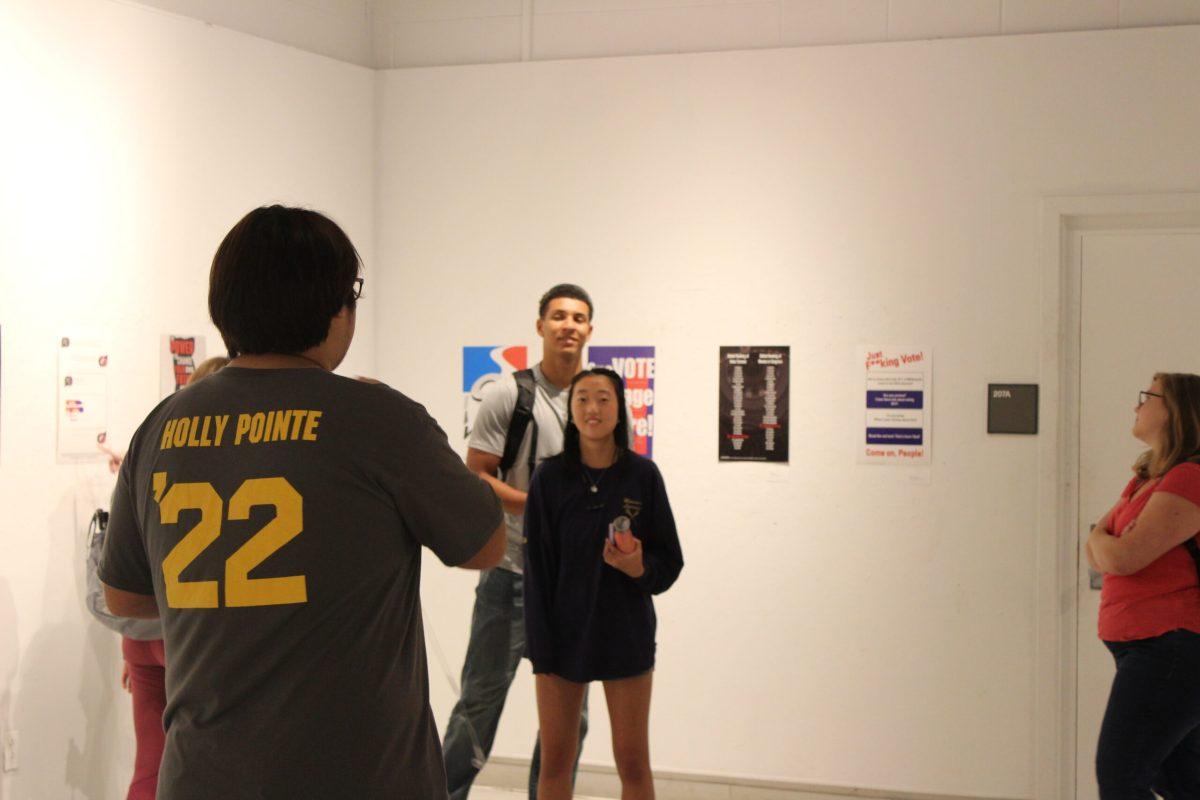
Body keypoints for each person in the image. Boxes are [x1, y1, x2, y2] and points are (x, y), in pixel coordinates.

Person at [99, 205, 506, 800]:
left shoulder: (162, 425)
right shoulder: (376, 418)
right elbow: (484, 544)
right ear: (335, 306)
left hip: (203, 777)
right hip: (360, 778)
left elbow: (126, 596)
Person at [443, 284, 595, 799]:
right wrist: (539, 507)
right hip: (508, 578)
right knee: (479, 708)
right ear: (540, 326)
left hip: (573, 587)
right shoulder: (509, 395)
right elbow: (476, 475)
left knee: (571, 723)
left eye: (578, 317)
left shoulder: (596, 403)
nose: (568, 325)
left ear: (589, 330)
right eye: (558, 316)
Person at [523, 368, 683, 800]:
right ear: (570, 411)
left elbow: (669, 562)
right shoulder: (548, 478)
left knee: (633, 763)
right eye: (582, 400)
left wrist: (636, 567)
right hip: (561, 637)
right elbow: (536, 568)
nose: (592, 408)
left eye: (603, 399)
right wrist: (539, 647)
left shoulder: (643, 476)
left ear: (620, 409)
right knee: (555, 762)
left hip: (626, 634)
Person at [88, 355, 229, 800]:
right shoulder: (241, 472)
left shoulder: (159, 456)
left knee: (150, 764)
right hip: (188, 635)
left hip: (143, 635)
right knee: (210, 765)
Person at [1087, 372, 1200, 798]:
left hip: (1170, 648)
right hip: (1149, 648)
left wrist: (1103, 540)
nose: (1136, 406)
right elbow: (1096, 547)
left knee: (1121, 775)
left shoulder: (1189, 478)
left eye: (1147, 397)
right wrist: (1102, 542)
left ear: (1176, 410)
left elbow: (1123, 557)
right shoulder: (1144, 478)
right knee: (1179, 780)